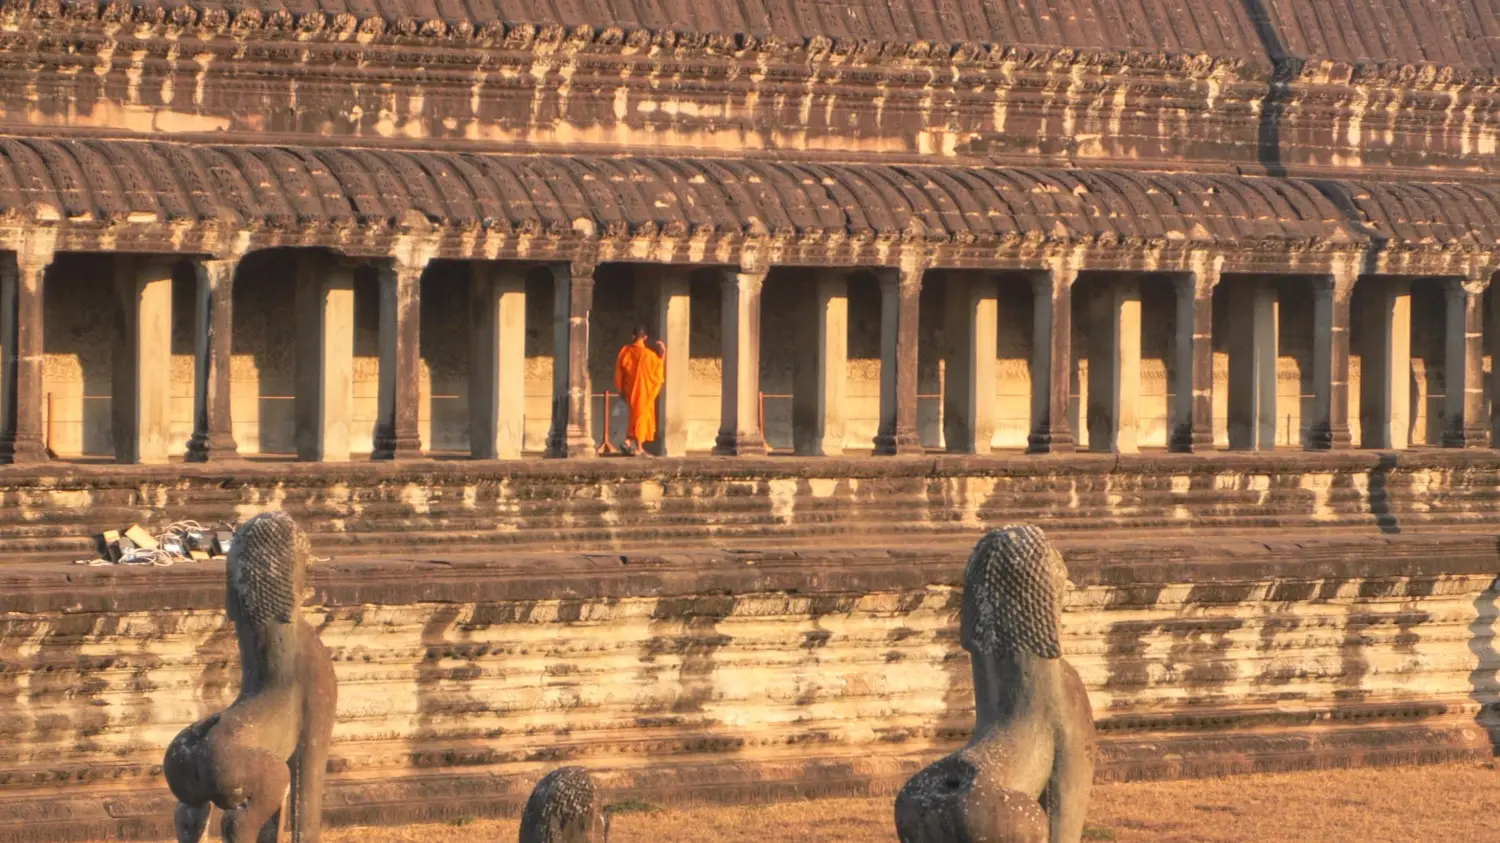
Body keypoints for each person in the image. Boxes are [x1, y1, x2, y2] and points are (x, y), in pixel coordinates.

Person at [614, 325, 666, 456]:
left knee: (635, 416)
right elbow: (658, 373)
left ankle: (627, 442)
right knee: (640, 417)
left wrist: (620, 389)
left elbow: (619, 372)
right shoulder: (650, 355)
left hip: (630, 391)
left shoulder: (625, 351)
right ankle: (639, 448)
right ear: (645, 337)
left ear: (633, 337)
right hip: (644, 392)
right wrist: (663, 354)